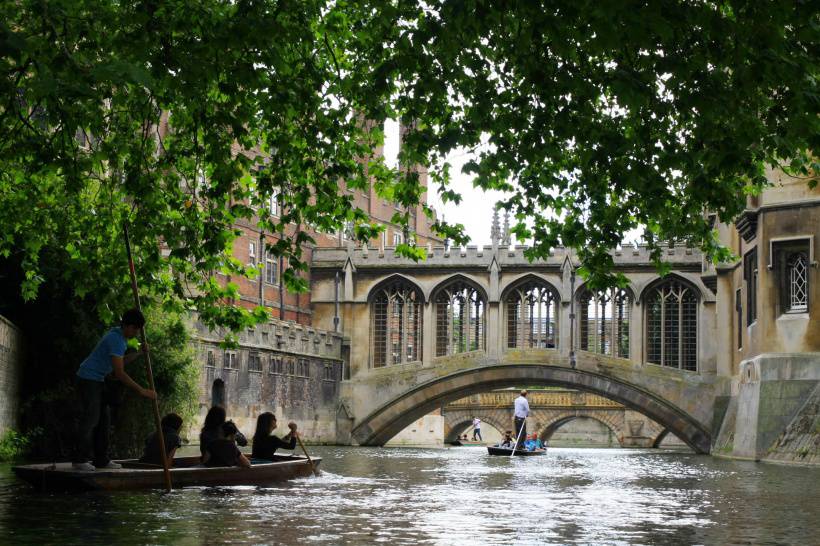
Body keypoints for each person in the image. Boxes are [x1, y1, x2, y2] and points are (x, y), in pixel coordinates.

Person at [72, 309, 157, 471]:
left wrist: (139, 353)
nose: (137, 333)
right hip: (88, 379)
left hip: (98, 379)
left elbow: (119, 362)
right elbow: (119, 373)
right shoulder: (116, 339)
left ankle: (101, 460)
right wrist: (142, 391)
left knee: (104, 421)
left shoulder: (120, 337)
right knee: (91, 419)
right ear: (128, 326)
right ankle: (79, 459)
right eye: (136, 329)